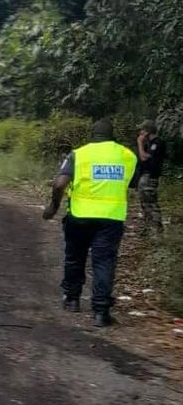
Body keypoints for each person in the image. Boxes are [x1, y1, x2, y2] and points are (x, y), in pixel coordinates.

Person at [42, 119, 139, 327]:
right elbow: (133, 183)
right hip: (111, 218)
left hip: (79, 216)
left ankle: (72, 299)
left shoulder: (79, 154)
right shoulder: (127, 156)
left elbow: (60, 183)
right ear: (113, 136)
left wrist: (53, 207)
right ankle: (101, 313)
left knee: (75, 257)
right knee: (104, 262)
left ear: (92, 135)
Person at [136, 119, 165, 235]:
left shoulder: (157, 143)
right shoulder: (149, 144)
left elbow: (144, 157)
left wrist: (139, 143)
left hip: (150, 176)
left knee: (151, 202)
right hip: (144, 175)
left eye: (142, 130)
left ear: (147, 131)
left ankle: (157, 229)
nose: (140, 133)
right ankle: (148, 227)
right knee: (144, 202)